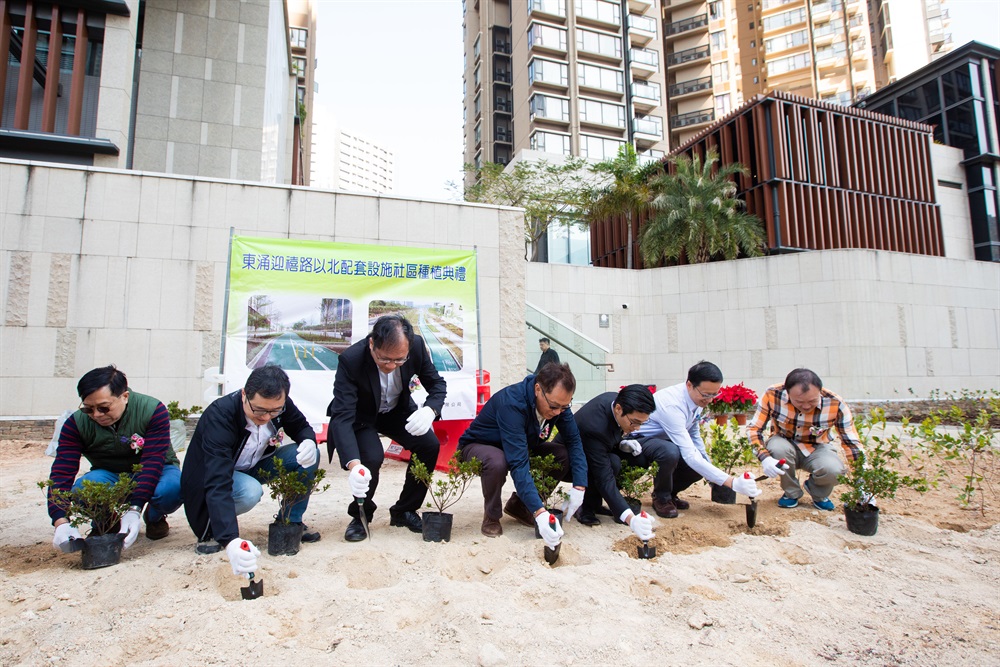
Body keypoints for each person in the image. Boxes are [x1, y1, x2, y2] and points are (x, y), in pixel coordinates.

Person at [181, 365, 320, 573]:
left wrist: (308, 441)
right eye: (259, 410)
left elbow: (300, 426)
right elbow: (217, 480)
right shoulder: (221, 415)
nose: (266, 417)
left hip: (255, 464)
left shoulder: (278, 405)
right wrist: (230, 540)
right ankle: (212, 529)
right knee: (250, 491)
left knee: (308, 455)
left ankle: (291, 522)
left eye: (274, 411)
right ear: (244, 394)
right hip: (218, 474)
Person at [326, 314, 446, 542]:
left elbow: (437, 384)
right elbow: (342, 416)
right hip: (361, 416)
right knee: (371, 458)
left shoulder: (417, 346)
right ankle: (361, 514)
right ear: (372, 344)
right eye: (384, 360)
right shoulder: (351, 360)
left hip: (396, 410)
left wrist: (430, 410)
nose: (391, 366)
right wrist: (353, 463)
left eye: (399, 360)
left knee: (429, 445)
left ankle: (404, 510)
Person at [47, 366, 182, 552]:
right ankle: (107, 522)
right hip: (109, 474)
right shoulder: (76, 424)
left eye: (104, 408)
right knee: (82, 489)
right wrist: (60, 520)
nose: (96, 415)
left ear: (124, 397)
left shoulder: (152, 410)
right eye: (88, 408)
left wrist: (135, 509)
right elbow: (62, 471)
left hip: (157, 470)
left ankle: (154, 516)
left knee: (173, 488)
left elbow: (152, 461)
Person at [457, 363, 588, 545]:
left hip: (522, 445)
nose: (558, 412)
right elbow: (518, 463)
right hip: (480, 445)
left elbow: (574, 441)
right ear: (537, 389)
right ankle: (492, 516)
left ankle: (520, 506)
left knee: (561, 454)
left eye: (564, 407)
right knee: (497, 461)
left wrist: (580, 485)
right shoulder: (512, 403)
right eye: (554, 406)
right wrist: (540, 513)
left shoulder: (559, 406)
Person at [632, 361, 761, 518]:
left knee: (697, 464)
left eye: (714, 394)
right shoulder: (672, 404)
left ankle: (671, 494)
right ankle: (662, 498)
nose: (709, 400)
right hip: (638, 440)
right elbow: (689, 455)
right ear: (689, 385)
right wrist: (731, 482)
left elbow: (694, 433)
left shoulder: (698, 398)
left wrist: (710, 469)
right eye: (706, 395)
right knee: (671, 452)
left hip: (664, 439)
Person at [747, 368, 863, 510]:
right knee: (777, 447)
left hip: (818, 448)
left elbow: (851, 443)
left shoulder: (835, 403)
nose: (806, 406)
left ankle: (818, 493)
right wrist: (765, 458)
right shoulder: (773, 395)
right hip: (784, 443)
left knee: (834, 470)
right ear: (787, 393)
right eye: (799, 402)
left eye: (812, 401)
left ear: (820, 391)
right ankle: (791, 493)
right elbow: (754, 429)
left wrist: (863, 481)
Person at [563, 385, 658, 542]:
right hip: (568, 462)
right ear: (619, 409)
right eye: (634, 422)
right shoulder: (595, 426)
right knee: (611, 465)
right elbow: (604, 477)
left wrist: (622, 442)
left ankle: (594, 504)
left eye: (642, 423)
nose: (637, 428)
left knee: (627, 459)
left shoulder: (616, 401)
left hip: (595, 451)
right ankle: (585, 508)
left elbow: (611, 435)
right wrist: (631, 519)